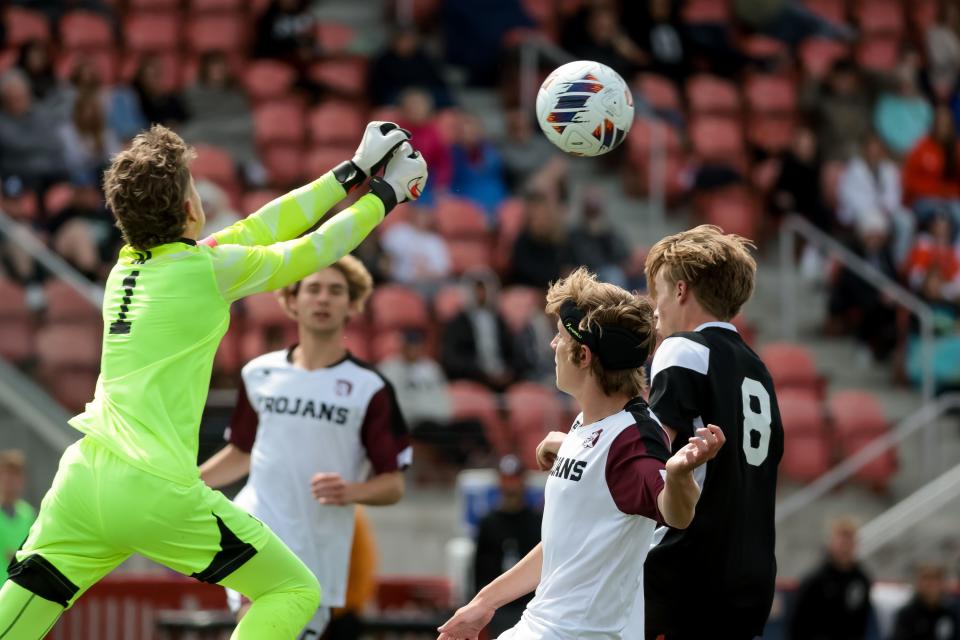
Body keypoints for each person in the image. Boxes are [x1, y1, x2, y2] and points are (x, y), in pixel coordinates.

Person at [0, 121, 426, 638]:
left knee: (21, 618)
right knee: (294, 591)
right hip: (155, 489)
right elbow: (312, 251)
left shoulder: (126, 266)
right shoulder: (205, 270)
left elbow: (257, 227)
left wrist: (352, 170)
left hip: (83, 480)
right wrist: (386, 194)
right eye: (193, 188)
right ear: (188, 209)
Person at [438, 268, 725, 640]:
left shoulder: (635, 440)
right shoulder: (589, 425)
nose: (552, 347)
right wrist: (483, 602)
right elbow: (564, 545)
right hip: (544, 626)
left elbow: (674, 511)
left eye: (559, 337)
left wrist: (679, 475)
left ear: (584, 355)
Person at [537, 225, 783, 639]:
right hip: (751, 571)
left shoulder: (683, 349)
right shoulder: (758, 369)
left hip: (685, 568)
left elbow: (649, 456)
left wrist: (570, 445)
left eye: (660, 290)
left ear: (682, 290)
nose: (655, 305)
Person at [200, 256, 411, 637]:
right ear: (292, 300)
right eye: (313, 289)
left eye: (336, 291)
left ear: (352, 304)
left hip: (320, 552)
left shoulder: (370, 388)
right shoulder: (258, 373)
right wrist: (188, 483)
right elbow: (241, 454)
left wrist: (351, 491)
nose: (323, 299)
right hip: (258, 527)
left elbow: (393, 485)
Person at [472, 455, 542, 637]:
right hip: (499, 605)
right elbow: (478, 566)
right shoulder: (489, 522)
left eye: (515, 479)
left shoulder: (537, 520)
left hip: (531, 603)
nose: (511, 486)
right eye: (506, 479)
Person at [788, 517, 874, 640]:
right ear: (831, 543)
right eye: (842, 543)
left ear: (856, 545)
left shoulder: (862, 580)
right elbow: (797, 625)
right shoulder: (814, 580)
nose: (845, 549)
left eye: (849, 543)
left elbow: (862, 624)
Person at [441, 268, 519, 392]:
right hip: (473, 378)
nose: (481, 294)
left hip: (502, 378)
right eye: (477, 290)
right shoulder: (458, 323)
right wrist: (479, 371)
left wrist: (509, 371)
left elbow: (512, 352)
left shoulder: (499, 320)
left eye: (484, 289)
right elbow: (452, 357)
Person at [891, 562, 960, 640]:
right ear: (918, 582)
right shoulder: (906, 615)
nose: (932, 584)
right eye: (926, 578)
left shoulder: (951, 613)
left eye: (936, 578)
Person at [0, 451, 36, 581]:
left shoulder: (28, 514)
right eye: (6, 474)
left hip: (16, 590)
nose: (10, 480)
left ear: (22, 480)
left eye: (15, 475)